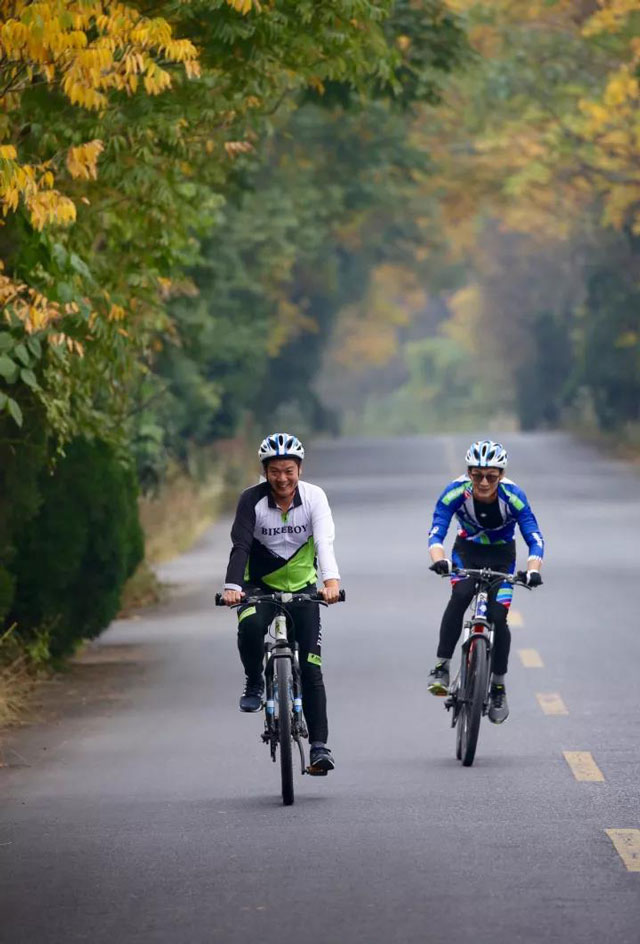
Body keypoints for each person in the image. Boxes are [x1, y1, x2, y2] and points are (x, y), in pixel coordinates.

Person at [222, 432, 341, 773]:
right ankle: (254, 681)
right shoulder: (251, 500)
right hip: (257, 586)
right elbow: (240, 546)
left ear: (299, 470)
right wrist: (233, 586)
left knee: (312, 667)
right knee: (249, 627)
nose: (282, 478)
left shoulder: (314, 498)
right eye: (275, 471)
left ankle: (319, 747)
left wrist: (330, 582)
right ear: (265, 471)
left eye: (289, 470)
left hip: (305, 588)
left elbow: (324, 540)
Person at [427, 439, 544, 723]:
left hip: (502, 556)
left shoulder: (513, 496)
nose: (483, 482)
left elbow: (534, 537)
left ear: (501, 475)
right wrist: (439, 559)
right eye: (476, 475)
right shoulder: (455, 492)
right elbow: (436, 531)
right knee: (460, 595)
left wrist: (532, 569)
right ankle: (442, 666)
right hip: (467, 552)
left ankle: (499, 686)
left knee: (498, 617)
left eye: (491, 476)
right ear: (468, 473)